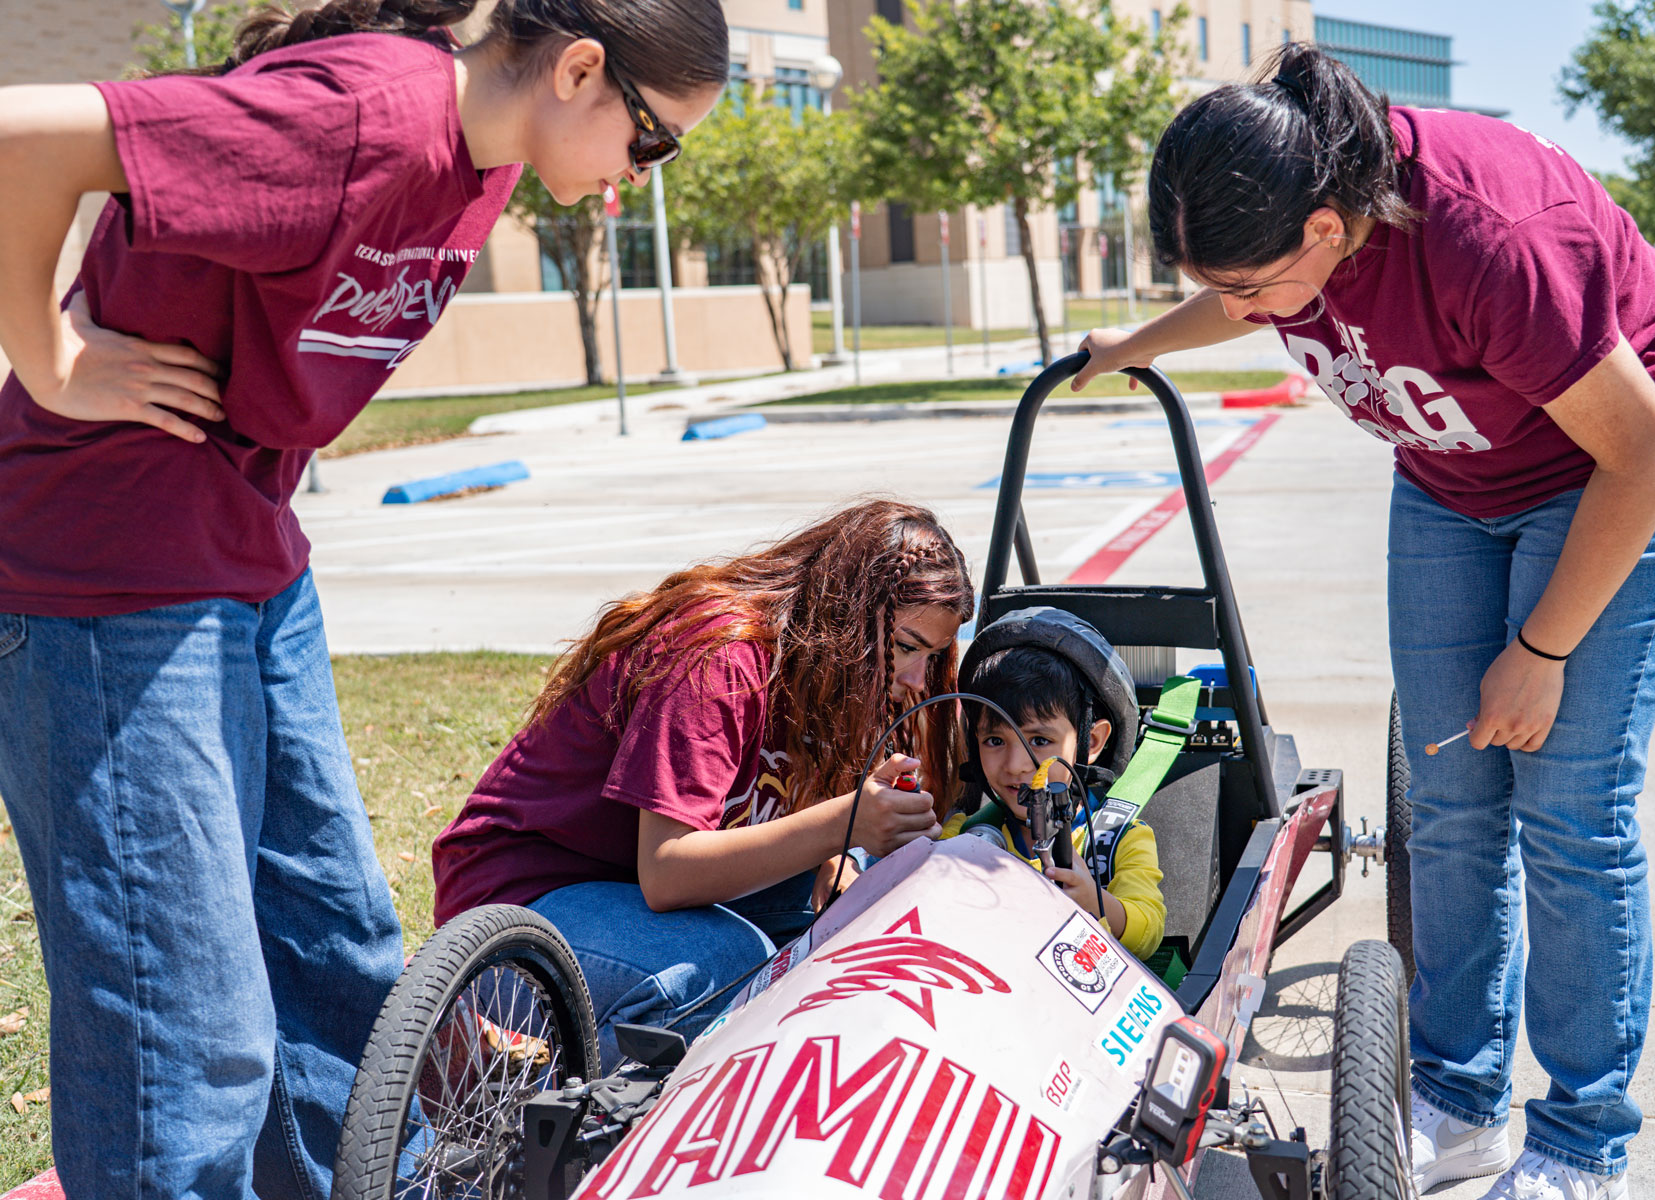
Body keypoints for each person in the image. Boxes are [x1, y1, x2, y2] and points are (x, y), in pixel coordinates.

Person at [0, 2, 728, 1198]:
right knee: (187, 1039)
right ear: (579, 70)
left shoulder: (488, 164)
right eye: (652, 140)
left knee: (336, 959)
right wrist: (48, 359)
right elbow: (21, 134)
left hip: (250, 555)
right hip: (109, 576)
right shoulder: (362, 118)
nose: (638, 177)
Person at [1073, 43, 1655, 1200]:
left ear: (1328, 228)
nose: (1242, 313)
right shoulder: (1292, 214)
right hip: (1451, 484)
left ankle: (1584, 1144)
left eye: (1251, 289)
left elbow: (1645, 450)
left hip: (1617, 483)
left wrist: (1542, 650)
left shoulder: (1488, 237)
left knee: (1569, 816)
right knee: (1449, 804)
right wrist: (1134, 348)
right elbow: (1234, 293)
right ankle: (1458, 1101)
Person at [432, 500, 974, 1069]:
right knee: (734, 965)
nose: (917, 678)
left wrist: (835, 858)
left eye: (932, 655)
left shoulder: (825, 672)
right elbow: (667, 872)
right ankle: (525, 1106)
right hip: (516, 903)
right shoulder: (721, 657)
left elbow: (782, 811)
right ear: (848, 615)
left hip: (622, 891)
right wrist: (844, 822)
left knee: (850, 929)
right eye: (907, 647)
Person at [944, 607, 1166, 962]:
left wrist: (1096, 901)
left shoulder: (1116, 841)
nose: (1015, 765)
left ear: (1092, 742)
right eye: (995, 741)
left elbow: (1149, 930)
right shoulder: (962, 834)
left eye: (1039, 741)